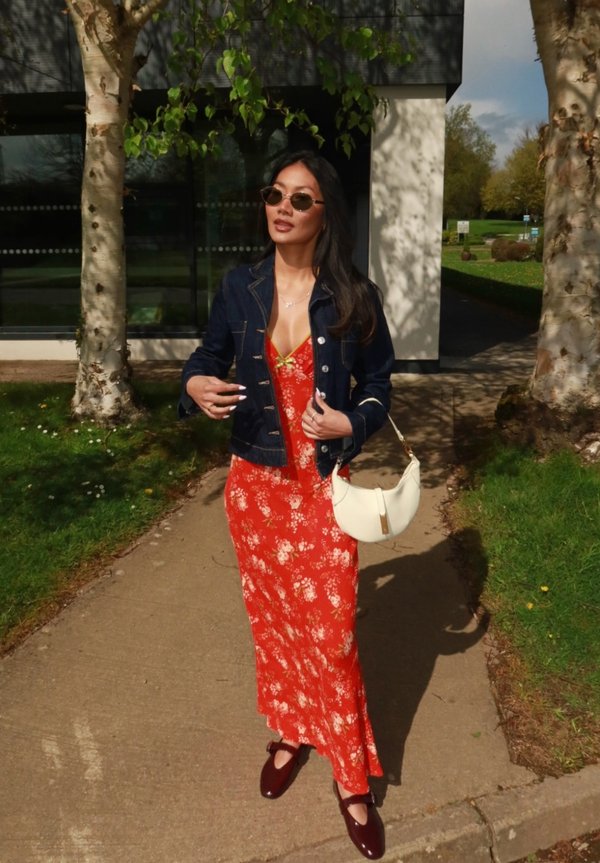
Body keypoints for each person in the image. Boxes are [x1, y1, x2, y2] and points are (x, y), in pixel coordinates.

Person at [179, 150, 394, 860]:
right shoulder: (239, 288)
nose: (282, 207)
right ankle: (292, 731)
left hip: (323, 491)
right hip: (256, 490)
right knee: (275, 627)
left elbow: (379, 384)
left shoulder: (354, 297)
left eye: (300, 199)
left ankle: (352, 776)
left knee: (331, 638)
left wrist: (350, 424)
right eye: (275, 193)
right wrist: (194, 387)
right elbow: (203, 358)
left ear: (325, 212)